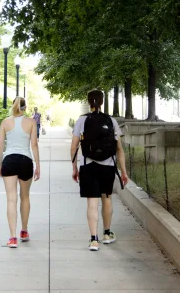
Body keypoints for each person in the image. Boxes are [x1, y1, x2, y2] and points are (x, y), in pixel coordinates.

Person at [70, 90, 129, 251]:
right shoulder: (111, 120)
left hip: (88, 165)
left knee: (92, 202)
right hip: (108, 166)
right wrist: (123, 171)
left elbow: (74, 146)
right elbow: (119, 149)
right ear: (102, 102)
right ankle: (107, 234)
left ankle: (93, 239)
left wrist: (75, 168)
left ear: (89, 102)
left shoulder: (82, 120)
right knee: (107, 198)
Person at [0, 97, 41, 248]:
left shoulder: (5, 122)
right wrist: (38, 165)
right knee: (25, 197)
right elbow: (34, 144)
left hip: (9, 160)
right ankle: (24, 231)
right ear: (25, 107)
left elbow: (0, 147)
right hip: (25, 161)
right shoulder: (31, 122)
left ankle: (12, 238)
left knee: (11, 199)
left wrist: (0, 165)